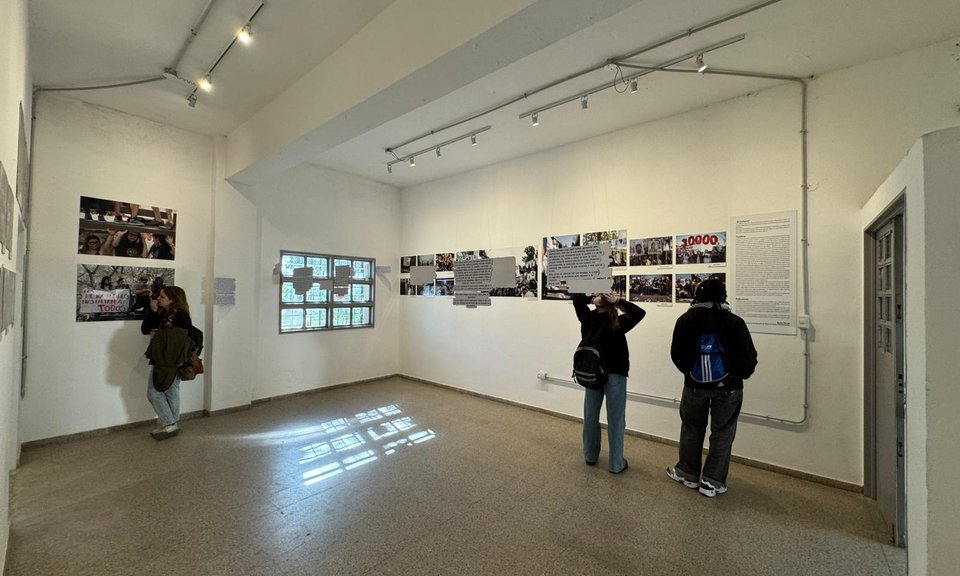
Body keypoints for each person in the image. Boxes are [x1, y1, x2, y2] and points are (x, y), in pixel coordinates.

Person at [666, 278, 758, 497]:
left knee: (691, 428)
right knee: (723, 433)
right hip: (729, 388)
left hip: (694, 385)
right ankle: (712, 481)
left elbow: (676, 354)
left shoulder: (686, 320)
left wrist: (689, 372)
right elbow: (749, 357)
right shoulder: (734, 322)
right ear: (723, 296)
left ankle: (687, 473)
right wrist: (736, 376)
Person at [572, 291, 646, 473]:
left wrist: (591, 299)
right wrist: (619, 301)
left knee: (590, 416)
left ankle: (590, 455)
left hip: (592, 374)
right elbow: (639, 313)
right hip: (615, 374)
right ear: (611, 302)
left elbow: (576, 299)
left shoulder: (588, 319)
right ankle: (616, 463)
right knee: (616, 420)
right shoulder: (617, 322)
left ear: (598, 301)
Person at [140, 286, 194, 440]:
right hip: (162, 359)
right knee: (170, 392)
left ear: (172, 299)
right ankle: (171, 424)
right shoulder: (163, 313)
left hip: (172, 361)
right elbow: (145, 329)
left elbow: (183, 338)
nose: (158, 299)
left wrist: (158, 335)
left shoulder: (181, 316)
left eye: (162, 297)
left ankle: (170, 423)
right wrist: (153, 311)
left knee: (155, 393)